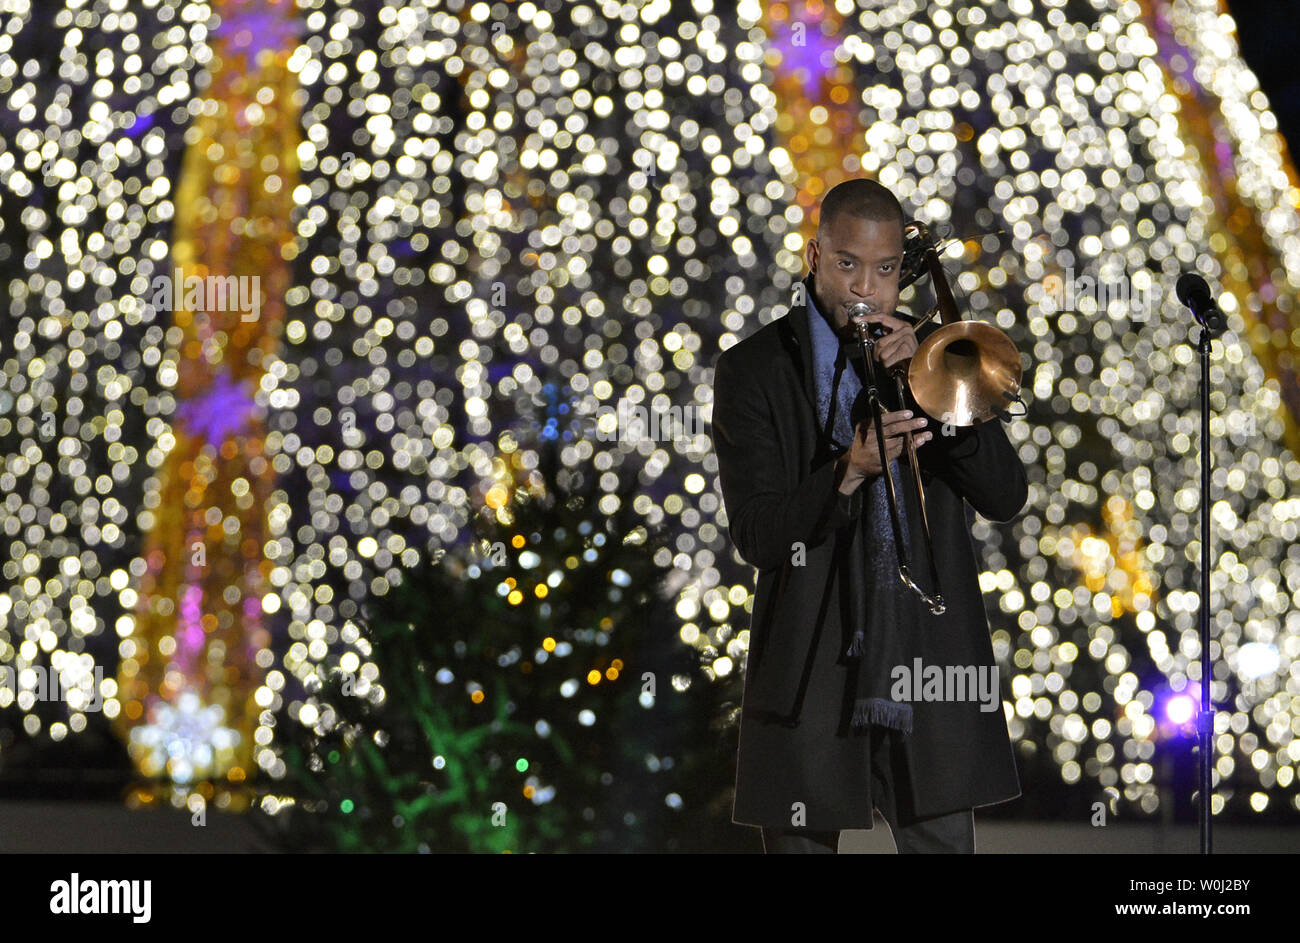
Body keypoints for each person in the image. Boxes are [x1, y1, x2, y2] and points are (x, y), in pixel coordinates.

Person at [710, 178, 1029, 853]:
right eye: (848, 263)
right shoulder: (753, 370)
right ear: (813, 256)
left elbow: (1005, 495)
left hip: (928, 670)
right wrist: (848, 470)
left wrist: (939, 387)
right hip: (812, 674)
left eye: (885, 269)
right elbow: (759, 534)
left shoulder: (936, 353)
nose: (866, 288)